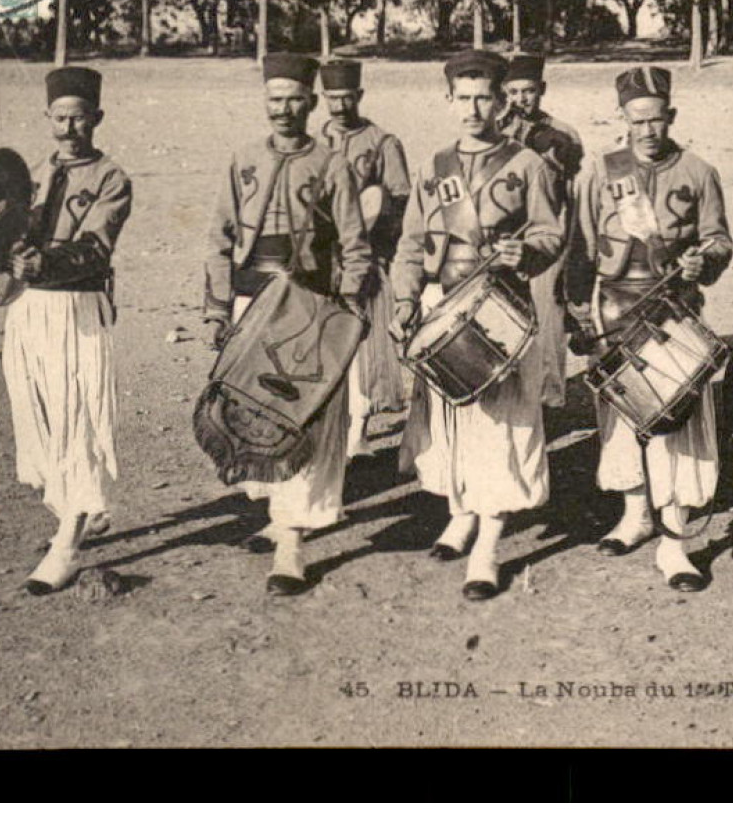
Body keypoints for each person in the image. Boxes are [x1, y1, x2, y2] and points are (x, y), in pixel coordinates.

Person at [390, 49, 564, 602]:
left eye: (483, 97)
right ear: (448, 101)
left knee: (498, 425)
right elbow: (411, 245)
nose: (473, 108)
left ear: (501, 100)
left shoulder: (527, 164)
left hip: (502, 305)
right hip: (445, 303)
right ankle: (460, 514)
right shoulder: (434, 166)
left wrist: (526, 252)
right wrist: (404, 300)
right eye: (462, 98)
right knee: (451, 420)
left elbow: (551, 234)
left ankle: (489, 543)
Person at [203, 52, 373, 595]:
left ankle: (292, 545)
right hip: (251, 302)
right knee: (254, 414)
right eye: (274, 100)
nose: (284, 109)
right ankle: (280, 515)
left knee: (303, 418)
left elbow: (354, 244)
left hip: (309, 307)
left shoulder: (331, 163)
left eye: (294, 99)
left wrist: (346, 310)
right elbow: (219, 239)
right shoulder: (242, 158)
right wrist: (215, 308)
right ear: (264, 102)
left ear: (311, 102)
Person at [565, 65, 732, 592]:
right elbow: (581, 249)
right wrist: (577, 313)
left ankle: (675, 541)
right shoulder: (600, 172)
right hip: (615, 311)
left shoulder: (699, 172)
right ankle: (634, 514)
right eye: (637, 122)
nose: (647, 132)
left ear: (671, 117)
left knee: (674, 425)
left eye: (656, 120)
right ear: (624, 120)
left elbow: (719, 239)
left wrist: (703, 262)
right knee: (619, 425)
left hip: (673, 312)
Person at [3, 66, 133, 595]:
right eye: (59, 118)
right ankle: (75, 509)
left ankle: (68, 544)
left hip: (76, 310)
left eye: (79, 118)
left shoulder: (111, 178)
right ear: (47, 118)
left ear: (96, 119)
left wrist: (46, 263)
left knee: (76, 418)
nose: (68, 129)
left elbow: (97, 246)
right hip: (30, 310)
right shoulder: (30, 173)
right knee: (38, 417)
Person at [318, 58, 413, 456]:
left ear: (359, 96)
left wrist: (370, 237)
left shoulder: (382, 142)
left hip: (367, 257)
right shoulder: (317, 141)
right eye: (331, 99)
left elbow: (399, 200)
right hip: (324, 263)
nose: (340, 107)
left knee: (363, 349)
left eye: (347, 98)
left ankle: (359, 429)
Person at [499, 53, 584, 408]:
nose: (522, 99)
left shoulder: (564, 134)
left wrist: (573, 249)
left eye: (529, 91)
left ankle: (549, 398)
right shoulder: (496, 130)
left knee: (548, 317)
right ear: (504, 91)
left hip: (548, 238)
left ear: (542, 90)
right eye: (515, 91)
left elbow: (576, 195)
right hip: (506, 239)